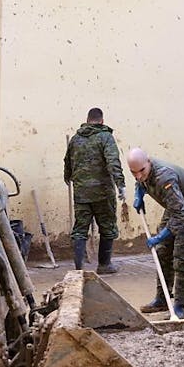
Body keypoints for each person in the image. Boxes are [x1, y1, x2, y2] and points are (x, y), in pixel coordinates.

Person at [128, 148, 184, 319]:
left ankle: (180, 305)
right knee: (162, 252)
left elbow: (180, 215)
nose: (138, 176)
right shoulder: (142, 171)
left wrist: (161, 236)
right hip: (175, 206)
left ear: (148, 162)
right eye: (133, 172)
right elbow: (140, 181)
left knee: (181, 255)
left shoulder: (165, 177)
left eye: (141, 171)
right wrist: (138, 192)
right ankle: (162, 299)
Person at [63, 107, 126, 273]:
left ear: (87, 119)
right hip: (102, 194)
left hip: (81, 193)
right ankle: (104, 265)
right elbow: (113, 162)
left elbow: (67, 162)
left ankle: (78, 269)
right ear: (102, 121)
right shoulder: (106, 137)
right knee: (107, 228)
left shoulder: (75, 139)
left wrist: (67, 177)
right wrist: (120, 184)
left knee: (80, 230)